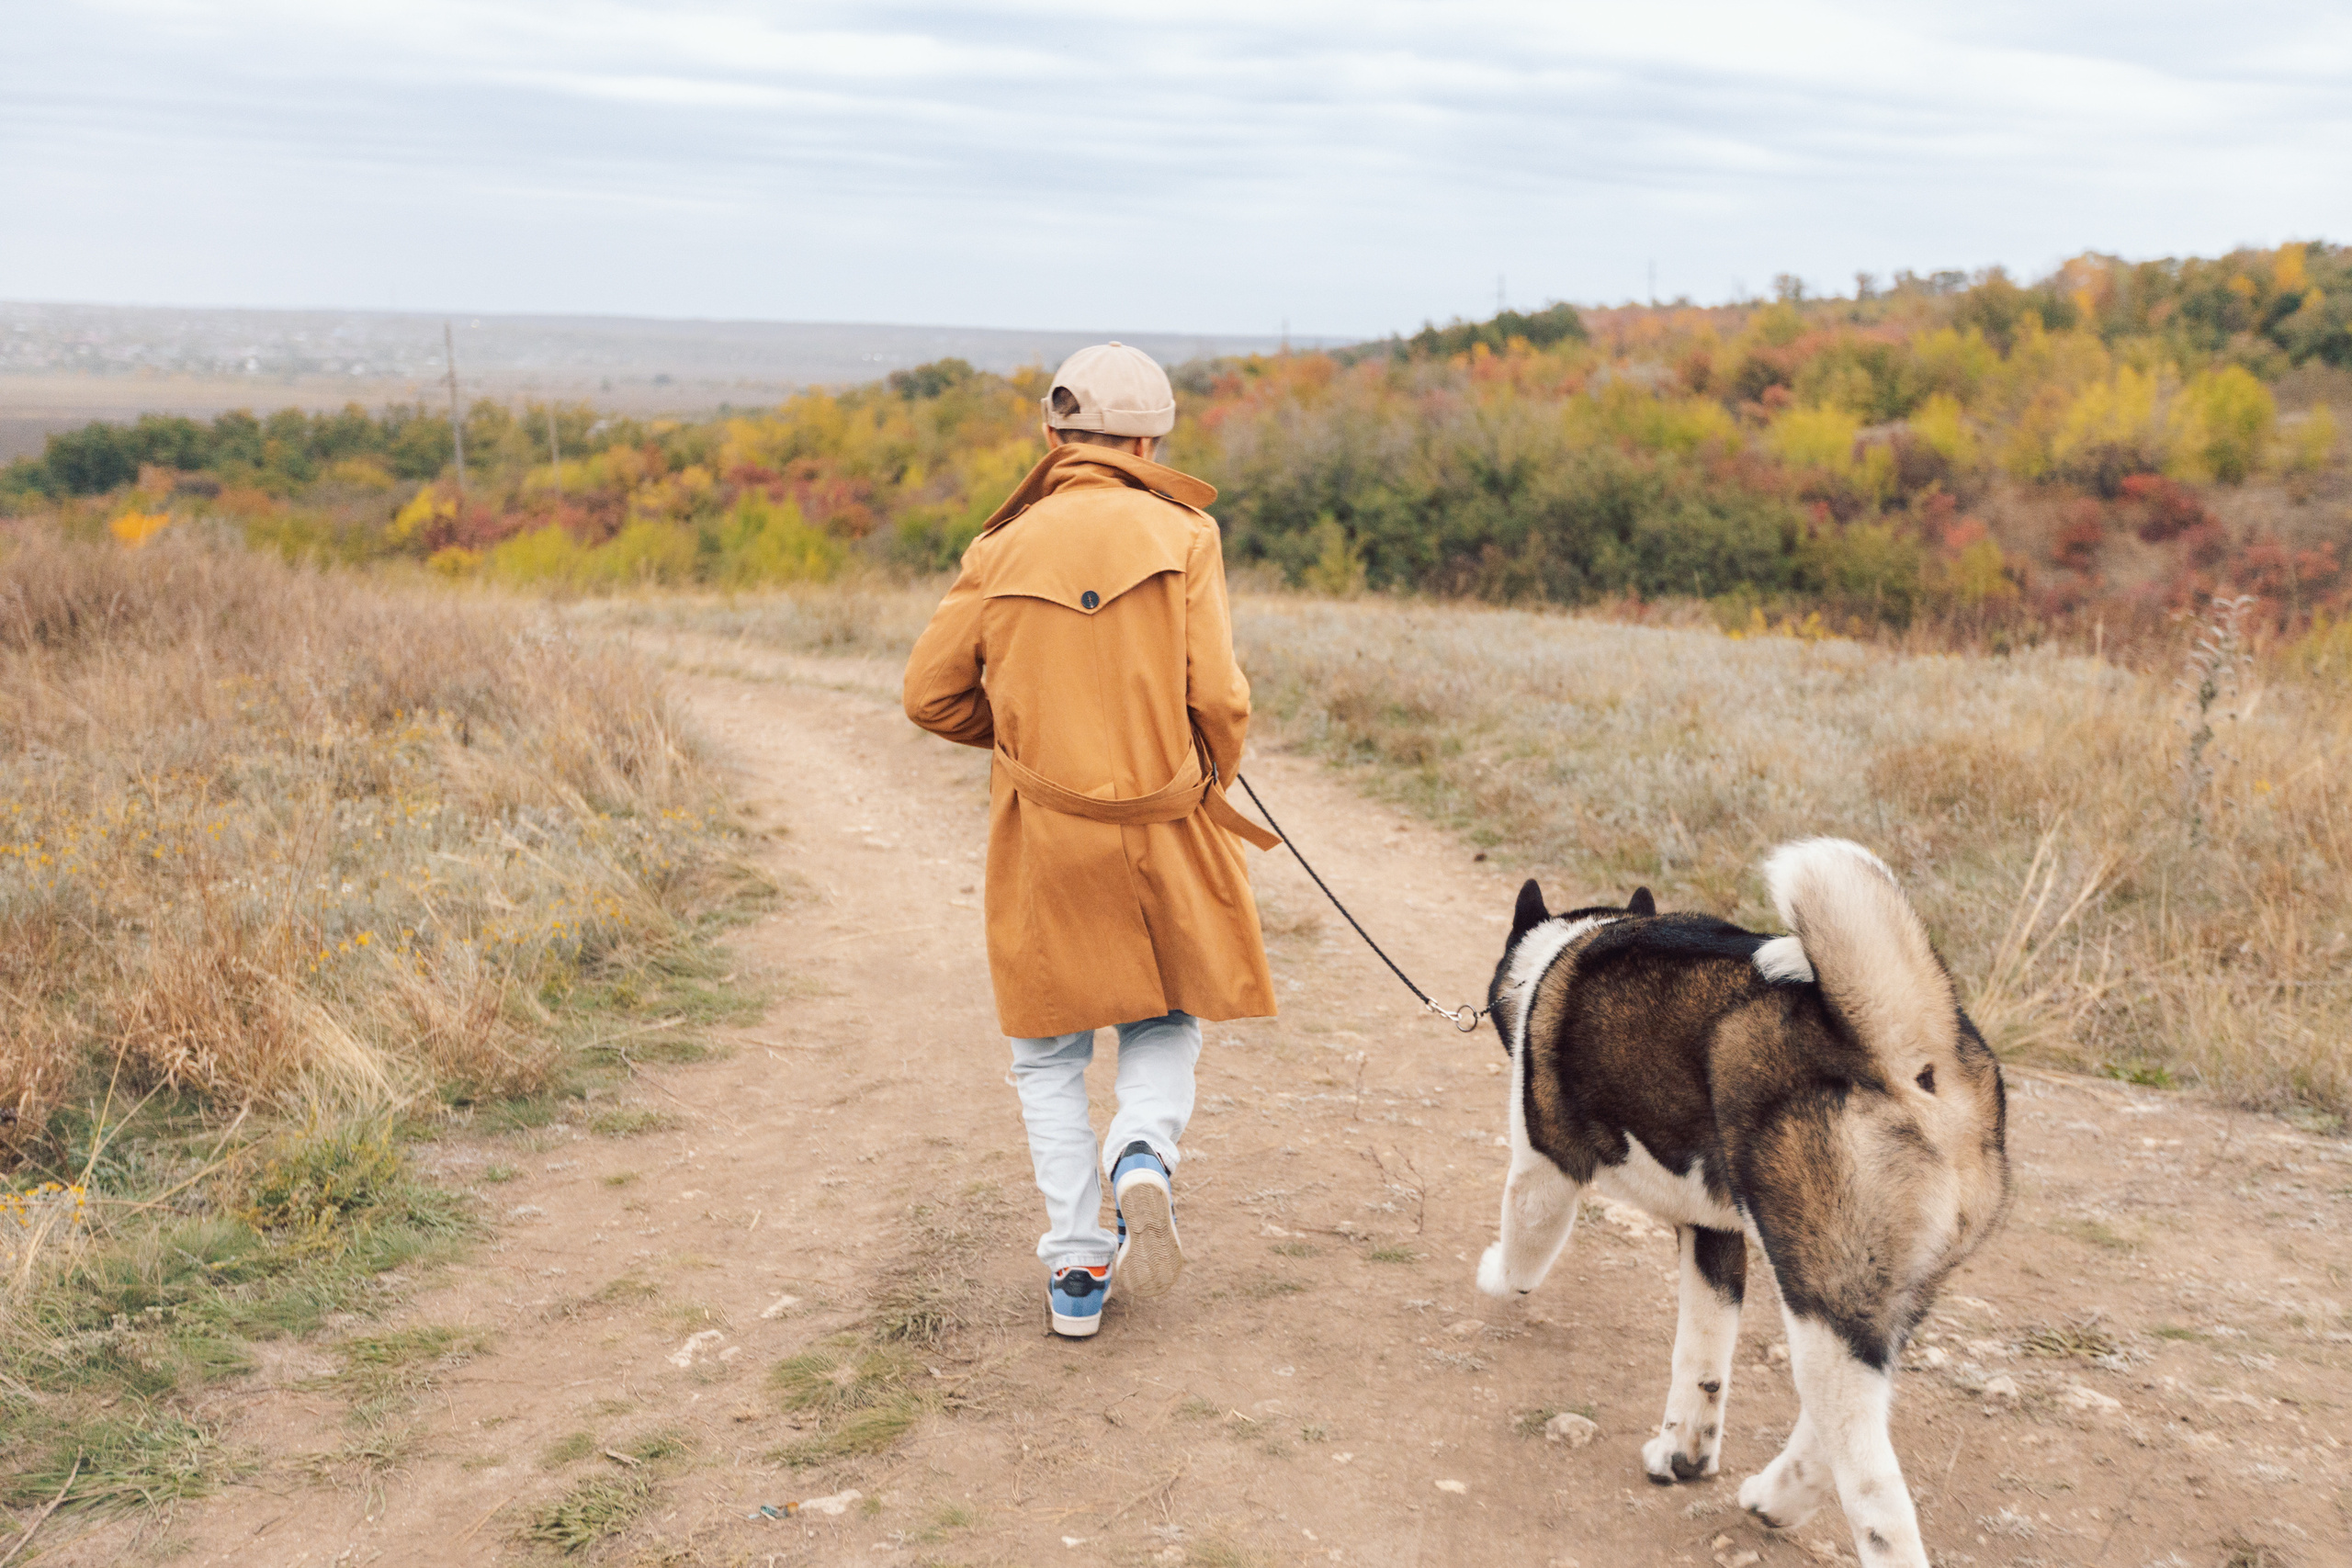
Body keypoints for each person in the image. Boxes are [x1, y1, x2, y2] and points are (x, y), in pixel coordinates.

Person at [902, 343, 1279, 1337]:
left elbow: (928, 695)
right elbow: (1220, 696)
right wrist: (1202, 770)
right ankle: (1143, 1148)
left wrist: (1028, 740)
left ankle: (1076, 1270)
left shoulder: (1000, 546)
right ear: (1149, 441)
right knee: (1162, 1017)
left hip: (1043, 832)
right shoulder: (1185, 530)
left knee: (1045, 1058)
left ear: (1053, 435)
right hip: (1164, 817)